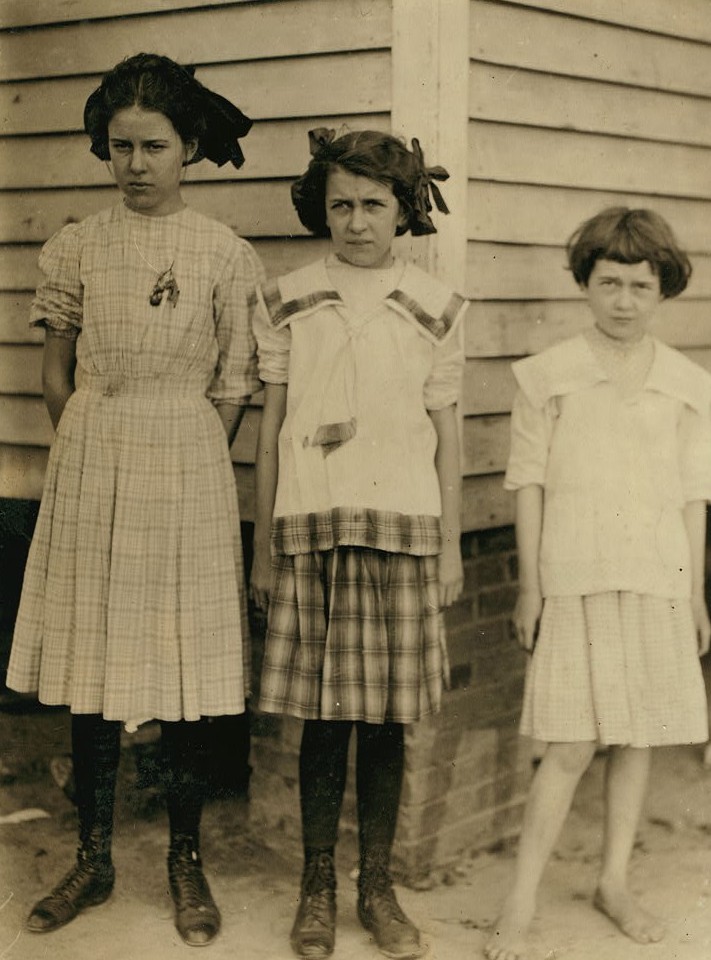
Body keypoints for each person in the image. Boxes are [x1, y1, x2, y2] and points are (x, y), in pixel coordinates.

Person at [6, 53, 262, 947]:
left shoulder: (222, 253)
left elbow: (234, 379)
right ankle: (94, 855)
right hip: (93, 450)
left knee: (181, 668)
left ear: (189, 147)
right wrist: (91, 432)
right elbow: (53, 366)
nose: (135, 163)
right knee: (92, 664)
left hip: (184, 460)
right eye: (119, 147)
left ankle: (184, 861)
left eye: (154, 146)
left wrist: (185, 449)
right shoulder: (79, 243)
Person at [250, 129, 467, 959]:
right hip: (312, 527)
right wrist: (265, 548)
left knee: (384, 722)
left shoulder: (434, 307)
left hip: (404, 533)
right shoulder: (291, 298)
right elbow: (269, 432)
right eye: (340, 203)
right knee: (323, 721)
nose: (356, 221)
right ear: (320, 206)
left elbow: (446, 435)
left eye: (374, 204)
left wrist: (448, 551)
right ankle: (316, 885)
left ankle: (375, 887)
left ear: (404, 211)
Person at [485, 207, 711, 960]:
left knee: (638, 733)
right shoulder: (547, 376)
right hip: (575, 578)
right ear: (584, 283)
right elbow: (528, 483)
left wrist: (694, 593)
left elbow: (690, 493)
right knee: (571, 742)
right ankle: (518, 902)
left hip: (654, 577)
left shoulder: (686, 385)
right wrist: (529, 588)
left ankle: (613, 881)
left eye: (639, 286)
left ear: (660, 290)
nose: (622, 300)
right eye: (608, 282)